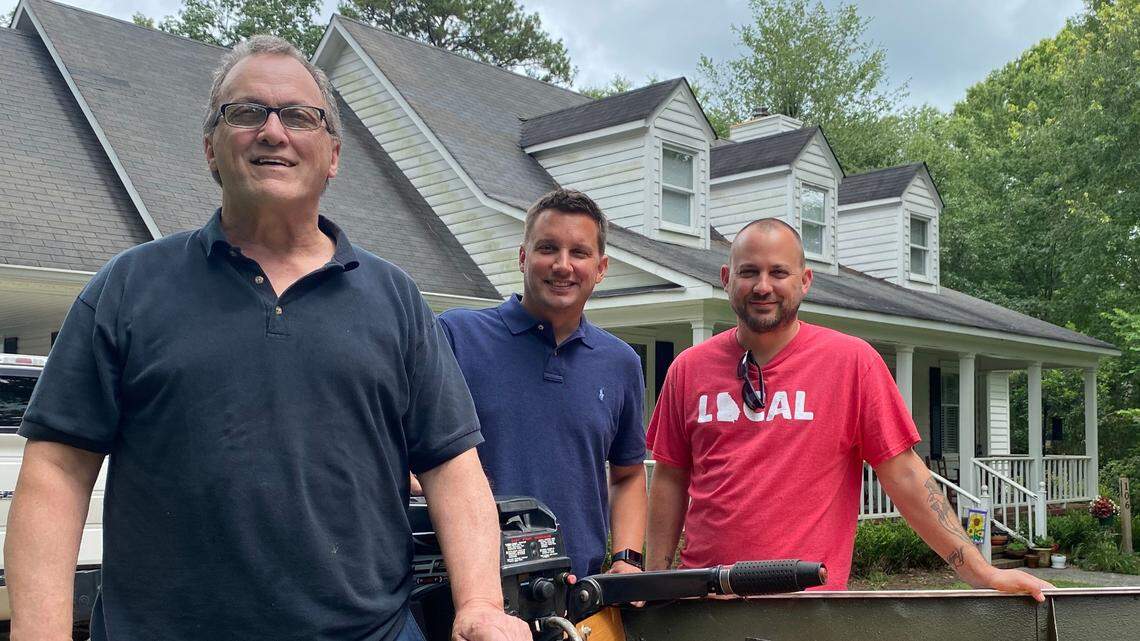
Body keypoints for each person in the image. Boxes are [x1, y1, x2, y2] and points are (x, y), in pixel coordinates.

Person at [3, 36, 528, 641]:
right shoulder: (129, 288)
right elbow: (57, 471)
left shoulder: (396, 300)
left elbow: (453, 469)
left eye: (300, 116)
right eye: (247, 112)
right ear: (211, 148)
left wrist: (482, 603)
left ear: (333, 155)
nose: (273, 132)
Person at [644, 218, 1053, 600]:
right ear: (726, 279)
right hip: (705, 601)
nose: (763, 286)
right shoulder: (689, 369)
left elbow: (907, 476)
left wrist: (983, 573)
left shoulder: (851, 362)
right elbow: (670, 479)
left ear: (805, 282)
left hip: (809, 607)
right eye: (749, 272)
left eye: (778, 272)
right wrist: (655, 582)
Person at [437, 189, 647, 579]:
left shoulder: (620, 363)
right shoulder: (457, 336)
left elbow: (628, 473)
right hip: (467, 586)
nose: (563, 265)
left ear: (601, 268)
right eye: (548, 248)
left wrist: (628, 558)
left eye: (579, 253)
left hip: (577, 594)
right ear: (523, 257)